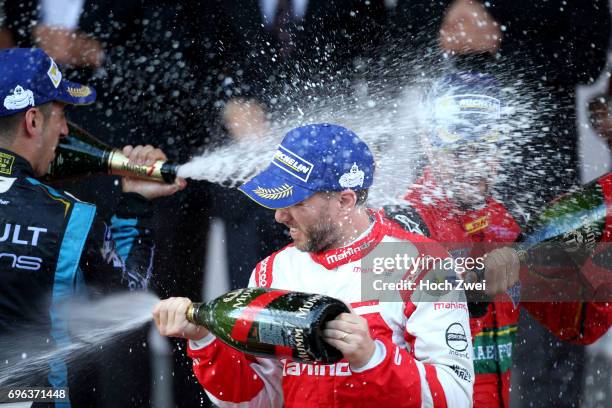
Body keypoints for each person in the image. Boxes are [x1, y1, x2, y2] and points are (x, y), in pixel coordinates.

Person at [153, 123, 474, 407]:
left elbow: (456, 397)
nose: (280, 215)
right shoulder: (273, 271)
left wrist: (373, 359)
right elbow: (257, 399)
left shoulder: (421, 263)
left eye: (297, 202)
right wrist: (205, 342)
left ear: (345, 201)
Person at [382, 71, 611, 408]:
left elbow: (579, 325)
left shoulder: (506, 224)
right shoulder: (400, 226)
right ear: (429, 144)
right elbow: (378, 354)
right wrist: (470, 290)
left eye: (485, 150)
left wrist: (598, 254)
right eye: (459, 152)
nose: (473, 166)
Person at [0, 47, 185, 403]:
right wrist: (136, 203)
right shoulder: (71, 217)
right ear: (33, 121)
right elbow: (132, 298)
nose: (66, 131)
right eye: (62, 115)